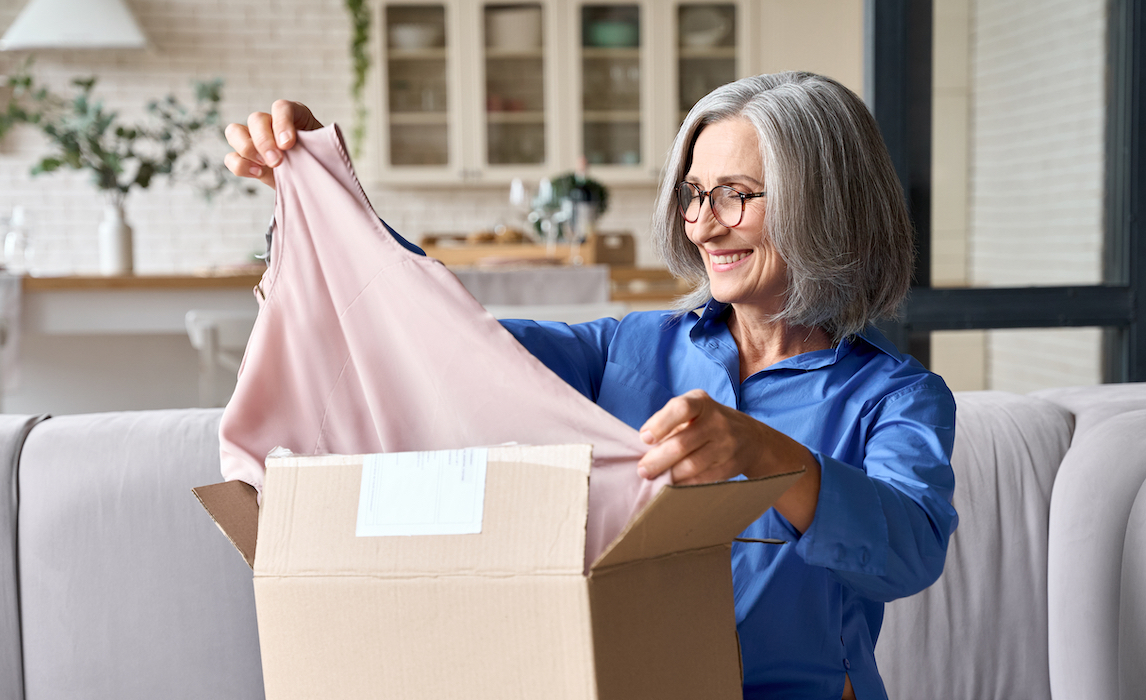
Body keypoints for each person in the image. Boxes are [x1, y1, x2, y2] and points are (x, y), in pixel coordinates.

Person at [224, 71, 957, 700]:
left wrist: (762, 455)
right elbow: (443, 339)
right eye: (693, 195)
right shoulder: (624, 351)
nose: (704, 225)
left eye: (735, 195)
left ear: (824, 204)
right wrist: (330, 198)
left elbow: (910, 551)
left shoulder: (895, 398)